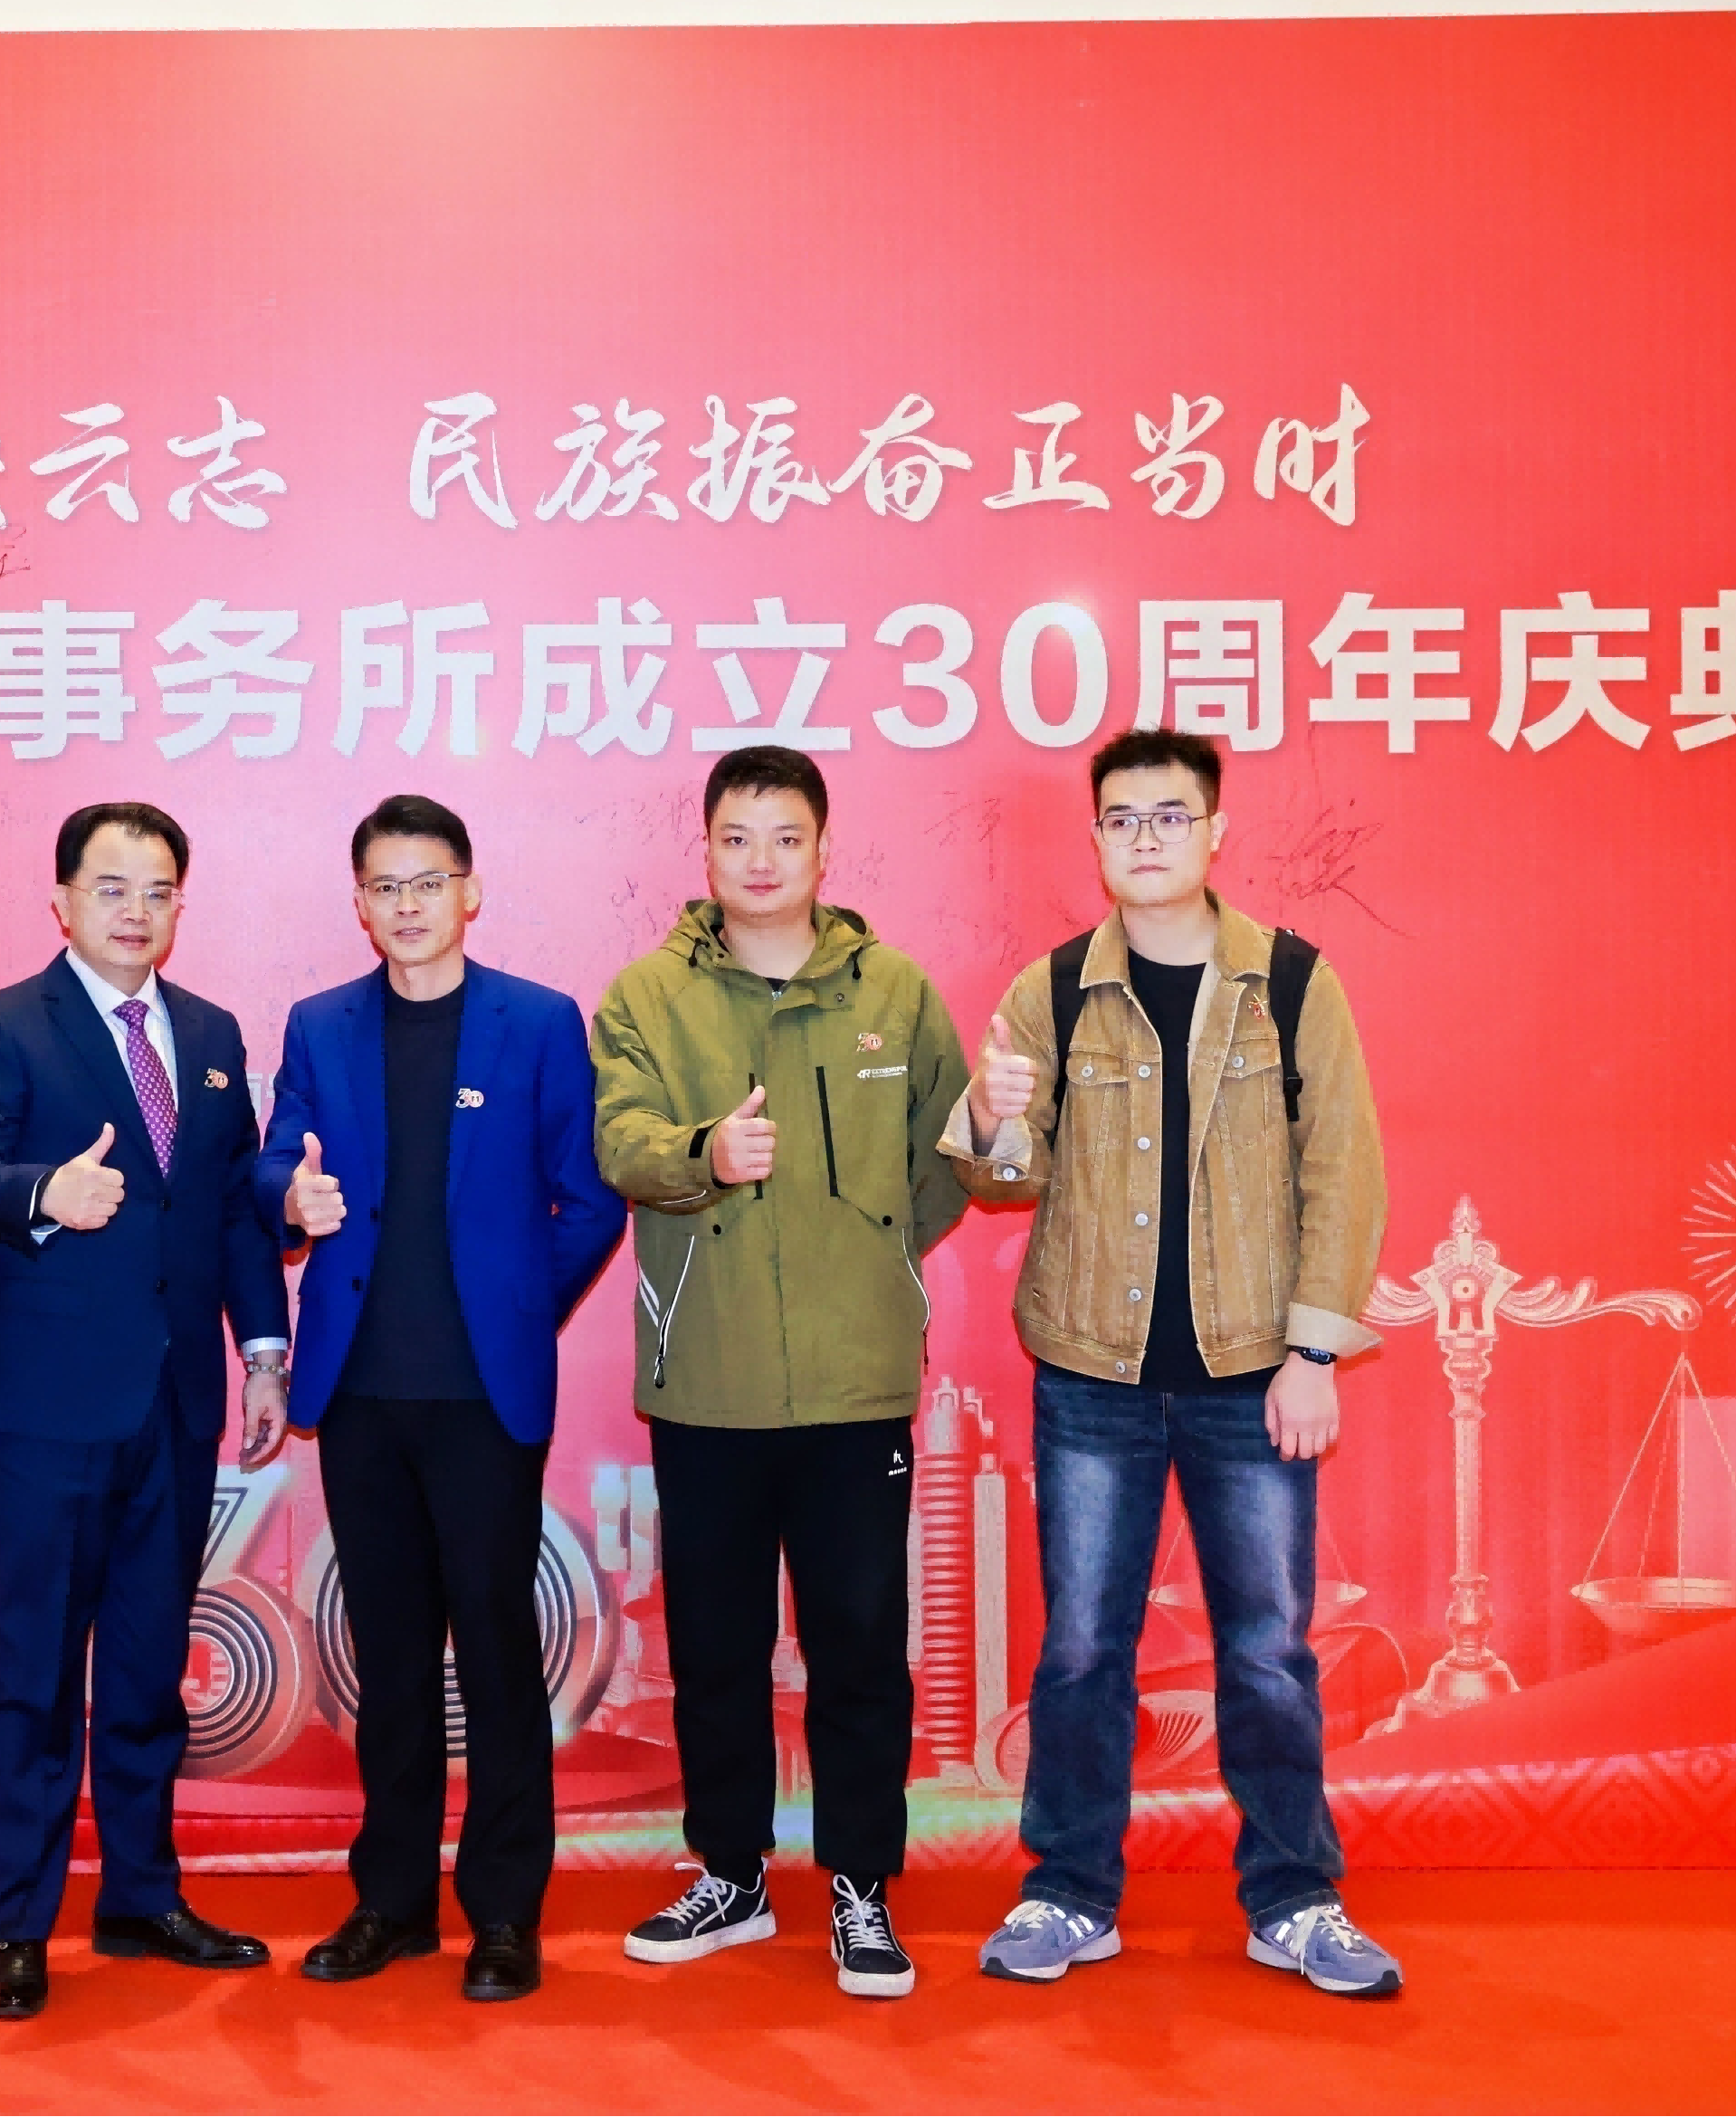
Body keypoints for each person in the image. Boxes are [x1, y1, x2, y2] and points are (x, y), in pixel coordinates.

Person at [947, 726, 1404, 1998]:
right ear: (1095, 839)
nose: (1143, 838)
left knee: (1266, 1651)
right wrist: (988, 1116)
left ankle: (1294, 1899)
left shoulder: (1292, 984)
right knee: (1083, 1650)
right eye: (1120, 819)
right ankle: (1069, 1892)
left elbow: (1343, 1173)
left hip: (1253, 1374)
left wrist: (1313, 1350)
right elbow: (1004, 1181)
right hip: (1090, 1378)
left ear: (1214, 832)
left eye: (1168, 816)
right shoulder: (1050, 990)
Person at [587, 745, 974, 2000]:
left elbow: (946, 1164)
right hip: (708, 1381)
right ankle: (732, 1875)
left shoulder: (894, 991)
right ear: (705, 850)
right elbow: (622, 1146)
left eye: (785, 838)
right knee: (715, 1646)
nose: (760, 862)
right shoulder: (647, 997)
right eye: (736, 838)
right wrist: (705, 1154)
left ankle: (861, 1886)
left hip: (857, 1384)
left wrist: (865, 1256)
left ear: (822, 850)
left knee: (859, 1643)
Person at [0, 801, 292, 2020]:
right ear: (63, 901)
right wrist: (44, 1192)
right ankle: (18, 1924)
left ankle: (141, 1896)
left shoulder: (212, 1033)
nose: (137, 912)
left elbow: (231, 1210)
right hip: (50, 1407)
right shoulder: (3, 1024)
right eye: (112, 888)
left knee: (145, 1667)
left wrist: (264, 1352)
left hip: (177, 1402)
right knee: (34, 1668)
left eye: (159, 892)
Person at [257, 795, 626, 2005]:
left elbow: (588, 1199)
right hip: (361, 1392)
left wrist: (516, 1306)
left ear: (470, 892)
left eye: (428, 883)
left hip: (481, 1396)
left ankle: (505, 1912)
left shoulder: (538, 1022)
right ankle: (392, 1903)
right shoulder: (319, 1025)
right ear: (359, 905)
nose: (407, 906)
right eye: (385, 887)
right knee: (393, 1657)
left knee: (500, 1653)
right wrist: (288, 1199)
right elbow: (275, 1158)